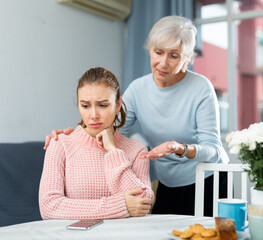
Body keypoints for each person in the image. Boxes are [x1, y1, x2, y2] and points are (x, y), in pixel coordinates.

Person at [43, 16, 229, 216]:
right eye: (158, 52)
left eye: (174, 56)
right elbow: (110, 128)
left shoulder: (201, 88)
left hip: (209, 180)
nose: (163, 63)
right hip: (168, 183)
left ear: (187, 57)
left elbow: (214, 150)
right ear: (150, 49)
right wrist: (73, 135)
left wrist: (179, 148)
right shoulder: (138, 89)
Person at [39, 67, 154, 220]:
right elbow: (49, 207)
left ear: (118, 104)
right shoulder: (60, 144)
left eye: (103, 105)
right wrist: (120, 206)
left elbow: (143, 204)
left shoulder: (137, 150)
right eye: (85, 106)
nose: (93, 115)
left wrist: (113, 151)